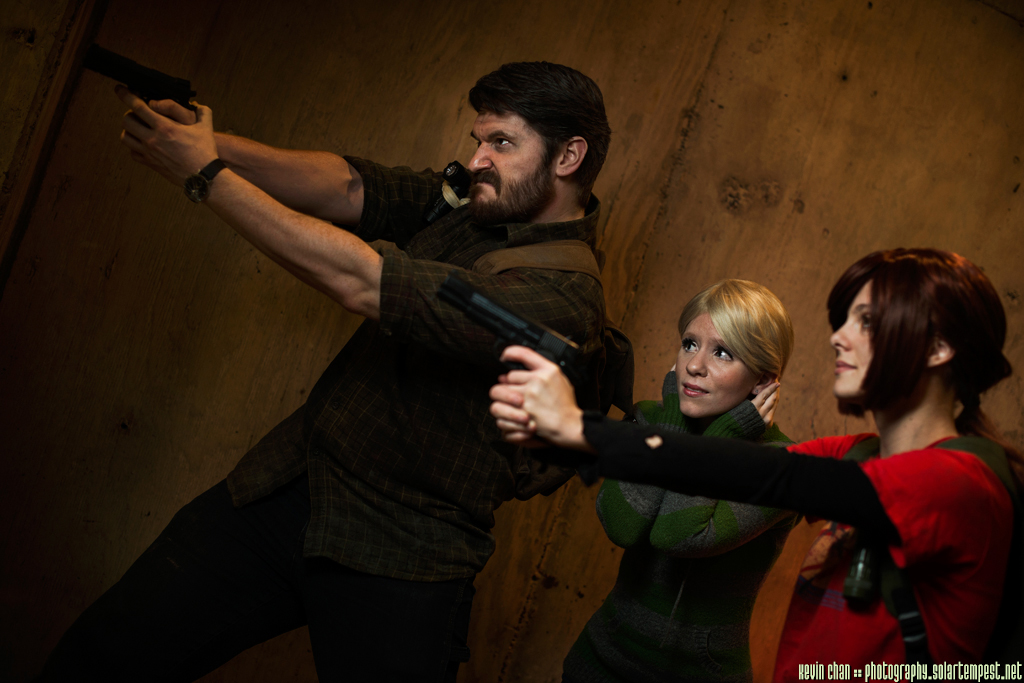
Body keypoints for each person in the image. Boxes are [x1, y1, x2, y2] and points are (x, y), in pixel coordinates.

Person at [40, 62, 611, 682]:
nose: (478, 160)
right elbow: (349, 188)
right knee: (99, 658)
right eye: (479, 140)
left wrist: (205, 174)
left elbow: (365, 282)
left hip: (401, 552)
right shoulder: (478, 203)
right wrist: (204, 141)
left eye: (502, 143)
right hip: (294, 485)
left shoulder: (563, 298)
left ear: (568, 157)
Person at [490, 248, 1022, 675]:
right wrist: (580, 431)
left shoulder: (958, 480)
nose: (838, 336)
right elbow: (731, 468)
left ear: (938, 349)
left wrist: (581, 429)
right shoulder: (859, 453)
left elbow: (769, 473)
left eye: (869, 321)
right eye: (845, 319)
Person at [561, 279, 800, 683]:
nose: (694, 365)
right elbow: (621, 525)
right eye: (690, 344)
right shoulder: (648, 419)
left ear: (763, 382)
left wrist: (720, 439)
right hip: (599, 662)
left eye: (722, 353)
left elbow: (678, 536)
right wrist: (671, 427)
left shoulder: (781, 466)